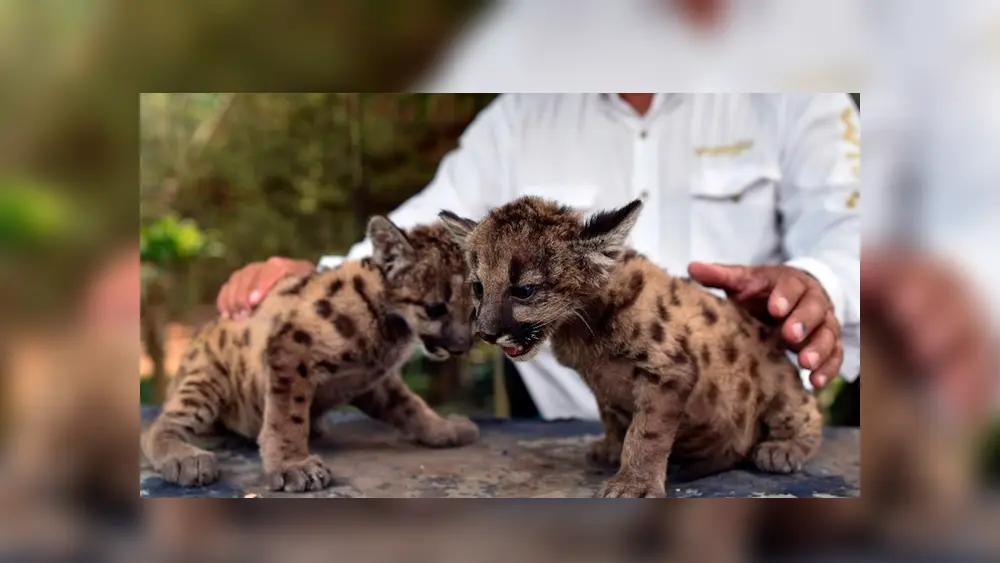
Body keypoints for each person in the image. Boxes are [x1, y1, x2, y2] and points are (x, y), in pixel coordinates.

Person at [217, 93, 861, 420]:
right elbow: (425, 238)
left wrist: (819, 282)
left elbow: (855, 231)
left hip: (744, 435)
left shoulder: (796, 93)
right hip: (567, 450)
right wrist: (323, 283)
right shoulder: (523, 113)